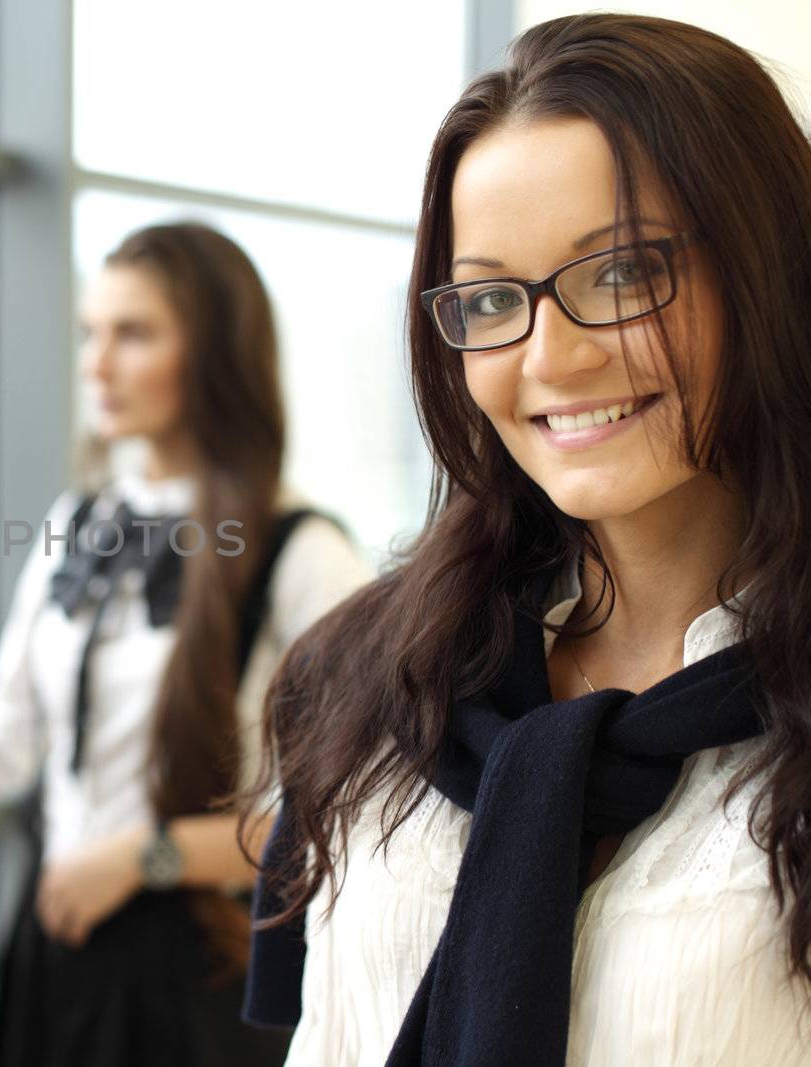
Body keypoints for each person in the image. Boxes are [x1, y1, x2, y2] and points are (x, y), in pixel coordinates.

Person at [244, 14, 811, 1066]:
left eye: (626, 273)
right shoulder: (376, 671)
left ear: (768, 268)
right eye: (495, 297)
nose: (552, 357)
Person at [0, 221, 371, 1066]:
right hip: (55, 943)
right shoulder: (81, 521)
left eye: (133, 335)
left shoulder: (299, 549)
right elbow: (1, 736)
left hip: (202, 969)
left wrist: (150, 857)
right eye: (90, 334)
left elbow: (355, 808)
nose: (96, 365)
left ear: (214, 353)